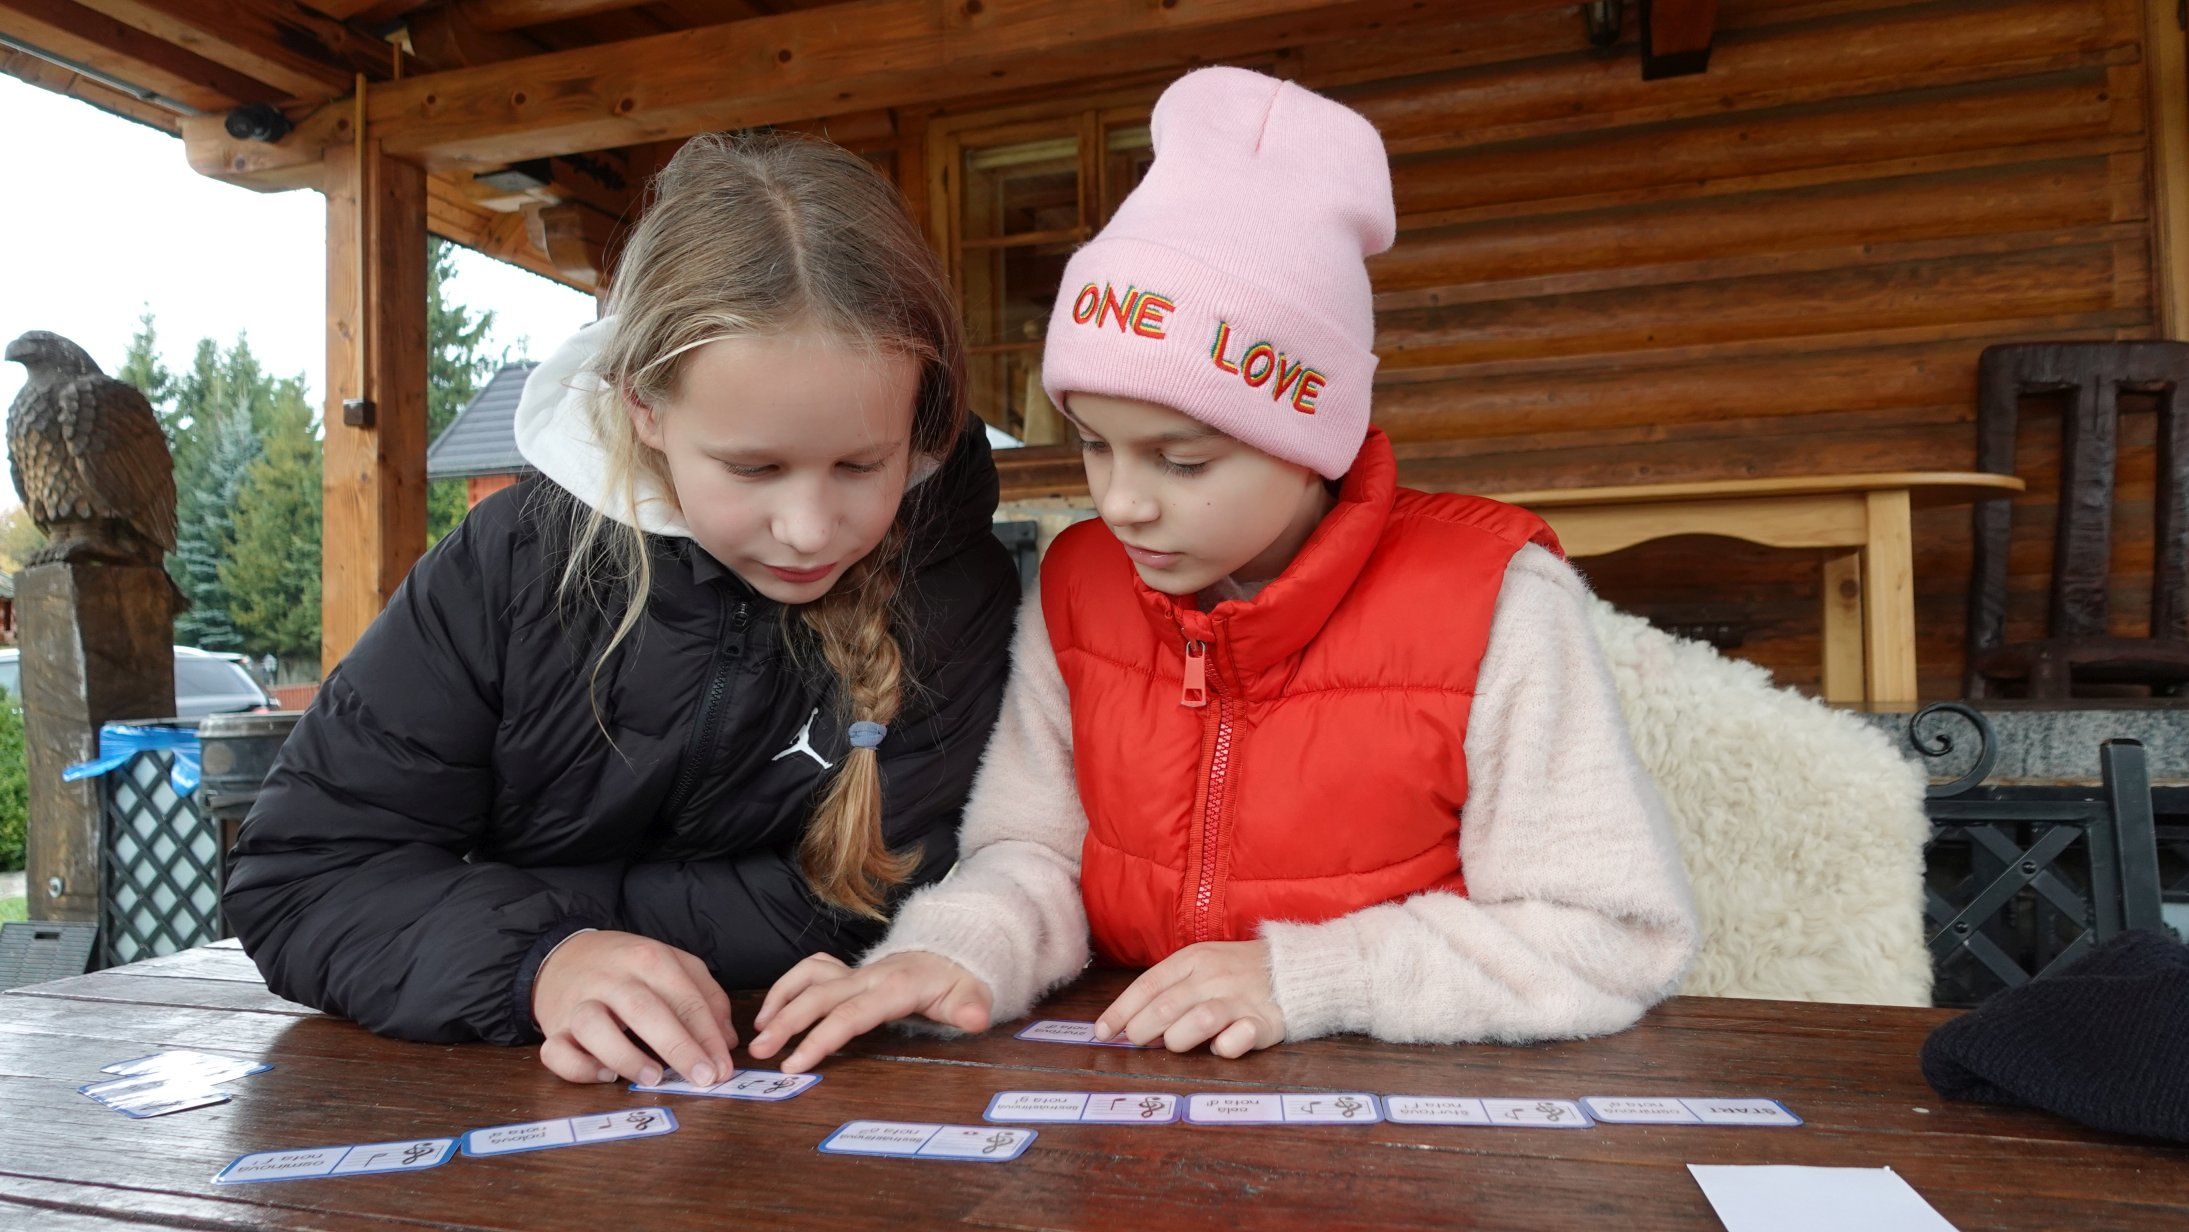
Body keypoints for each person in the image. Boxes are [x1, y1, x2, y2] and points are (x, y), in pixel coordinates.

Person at [747, 67, 1698, 1072]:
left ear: (1312, 440)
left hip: (1411, 1108)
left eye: (1183, 460)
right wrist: (950, 950)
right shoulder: (1079, 586)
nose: (1121, 502)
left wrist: (1308, 976)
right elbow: (1033, 853)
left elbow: (1608, 933)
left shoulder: (1494, 603)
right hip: (1134, 1093)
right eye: (1094, 443)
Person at [224, 131, 1020, 1090]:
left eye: (861, 464)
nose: (809, 528)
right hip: (494, 1094)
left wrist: (523, 905)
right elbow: (304, 876)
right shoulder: (510, 565)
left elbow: (870, 891)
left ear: (918, 413)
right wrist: (544, 963)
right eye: (752, 468)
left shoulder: (950, 586)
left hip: (797, 1089)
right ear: (643, 404)